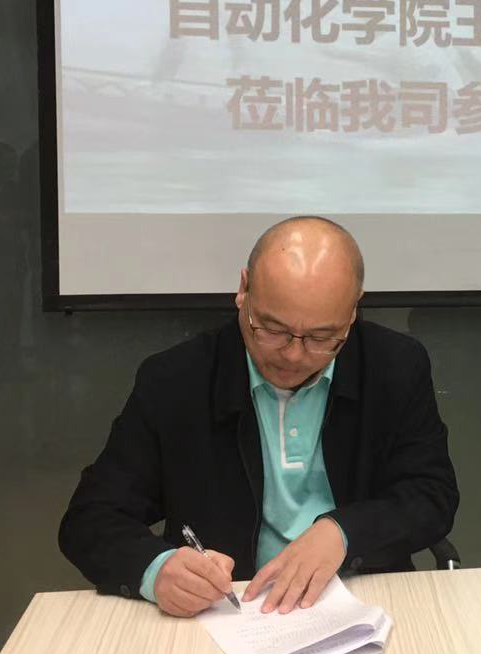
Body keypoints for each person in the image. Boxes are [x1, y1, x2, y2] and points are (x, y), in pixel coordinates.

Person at [59, 217, 459, 617]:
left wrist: (342, 532)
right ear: (243, 290)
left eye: (322, 338)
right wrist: (156, 569)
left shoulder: (394, 368)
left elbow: (431, 495)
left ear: (353, 310)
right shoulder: (176, 381)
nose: (293, 355)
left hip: (364, 599)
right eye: (271, 329)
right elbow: (91, 518)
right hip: (230, 610)